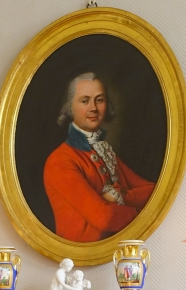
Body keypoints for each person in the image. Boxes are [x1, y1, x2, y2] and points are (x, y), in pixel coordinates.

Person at [43, 73, 155, 243]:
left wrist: (121, 194)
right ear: (70, 108)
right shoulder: (60, 160)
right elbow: (105, 218)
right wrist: (144, 214)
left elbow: (153, 190)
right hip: (78, 261)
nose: (93, 108)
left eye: (99, 100)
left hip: (114, 255)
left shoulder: (104, 152)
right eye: (85, 101)